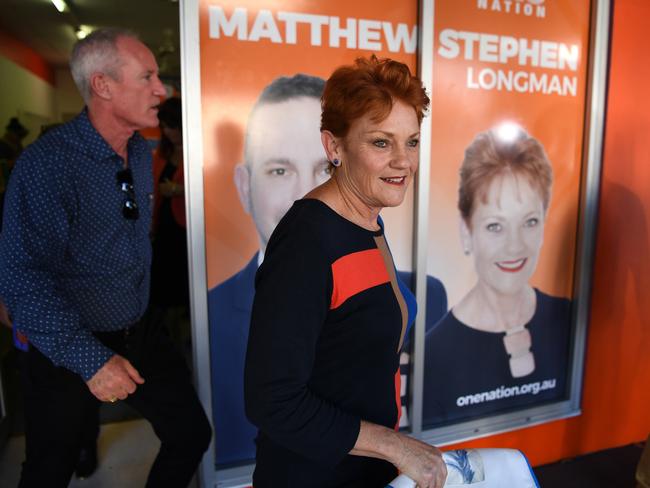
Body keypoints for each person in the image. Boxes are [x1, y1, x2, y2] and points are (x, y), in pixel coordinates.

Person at [0, 28, 211, 487]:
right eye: (148, 77)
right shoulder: (48, 165)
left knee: (191, 434)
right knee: (48, 468)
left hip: (140, 330)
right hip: (67, 344)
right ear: (103, 85)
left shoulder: (139, 150)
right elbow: (22, 279)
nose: (162, 89)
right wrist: (92, 361)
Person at [207, 74, 447, 466]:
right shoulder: (308, 242)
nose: (403, 160)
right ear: (334, 146)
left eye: (412, 142)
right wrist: (393, 446)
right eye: (381, 142)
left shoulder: (366, 220)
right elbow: (273, 402)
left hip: (363, 467)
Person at [422, 124, 571, 427]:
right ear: (466, 232)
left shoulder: (568, 318)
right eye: (495, 226)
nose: (515, 245)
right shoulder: (435, 354)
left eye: (529, 221)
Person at [149, 97, 190, 326]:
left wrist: (180, 190)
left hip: (185, 227)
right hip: (164, 224)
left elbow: (207, 188)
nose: (168, 131)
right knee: (163, 285)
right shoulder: (161, 154)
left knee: (182, 283)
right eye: (164, 127)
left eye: (172, 126)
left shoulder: (196, 152)